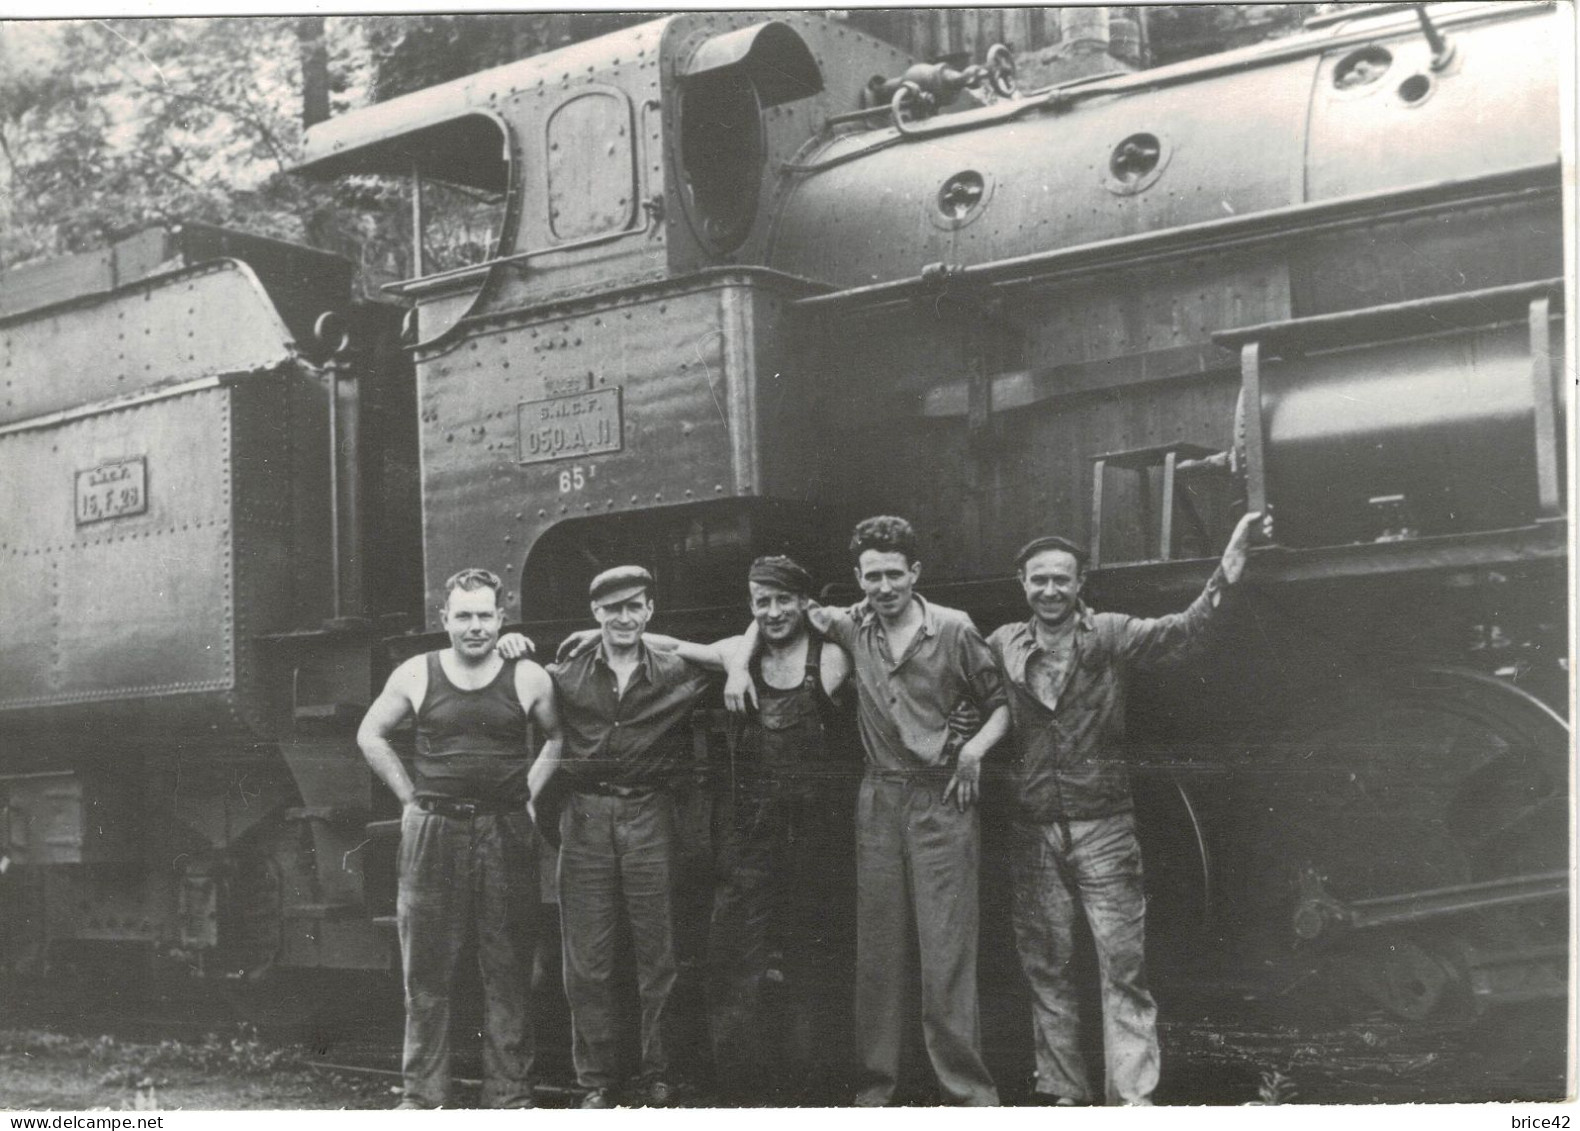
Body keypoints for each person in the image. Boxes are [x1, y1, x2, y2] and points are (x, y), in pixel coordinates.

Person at [987, 511, 1268, 1106]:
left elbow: (1183, 631)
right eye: (1039, 580)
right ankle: (1064, 1094)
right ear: (1023, 584)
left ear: (1080, 581)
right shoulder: (1001, 644)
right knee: (1047, 970)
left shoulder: (1110, 634)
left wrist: (1229, 567)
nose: (1050, 590)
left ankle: (1132, 1103)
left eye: (1062, 579)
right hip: (1034, 832)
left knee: (1124, 973)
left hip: (1105, 829)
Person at [725, 517, 1009, 1107]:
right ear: (858, 579)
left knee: (946, 952)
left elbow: (1001, 705)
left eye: (894, 574)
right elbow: (777, 612)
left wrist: (975, 750)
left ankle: (967, 1090)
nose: (884, 586)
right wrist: (734, 665)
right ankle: (875, 1088)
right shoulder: (851, 626)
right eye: (872, 576)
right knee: (877, 953)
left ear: (915, 574)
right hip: (878, 800)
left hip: (942, 799)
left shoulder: (953, 629)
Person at [355, 567, 562, 1109]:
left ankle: (511, 1098)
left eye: (485, 615)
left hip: (505, 828)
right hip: (434, 830)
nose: (475, 626)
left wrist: (528, 795)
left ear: (501, 617)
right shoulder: (416, 673)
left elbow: (558, 738)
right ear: (444, 619)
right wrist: (409, 799)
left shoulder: (528, 677)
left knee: (509, 968)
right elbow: (370, 735)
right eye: (464, 616)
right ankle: (422, 1099)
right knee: (425, 971)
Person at [540, 565, 714, 1108]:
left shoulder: (675, 671)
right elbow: (520, 682)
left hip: (648, 814)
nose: (623, 617)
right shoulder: (565, 675)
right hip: (586, 814)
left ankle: (656, 1073)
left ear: (649, 610)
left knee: (655, 951)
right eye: (611, 609)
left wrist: (634, 638)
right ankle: (595, 1080)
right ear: (595, 612)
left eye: (634, 606)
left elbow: (736, 649)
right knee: (587, 958)